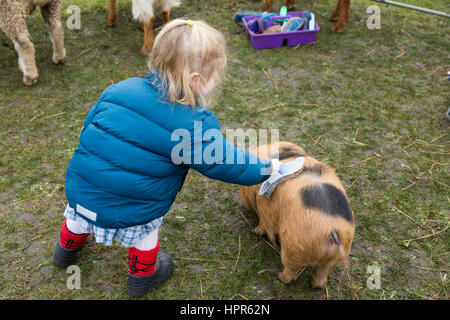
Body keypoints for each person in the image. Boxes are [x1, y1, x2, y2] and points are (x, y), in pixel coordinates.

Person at [52, 19, 281, 297]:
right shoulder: (193, 123)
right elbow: (224, 162)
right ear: (195, 80)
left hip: (81, 192)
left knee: (78, 216)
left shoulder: (118, 90)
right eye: (216, 74)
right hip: (133, 210)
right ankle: (142, 277)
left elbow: (89, 126)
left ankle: (65, 251)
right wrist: (266, 168)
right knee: (146, 233)